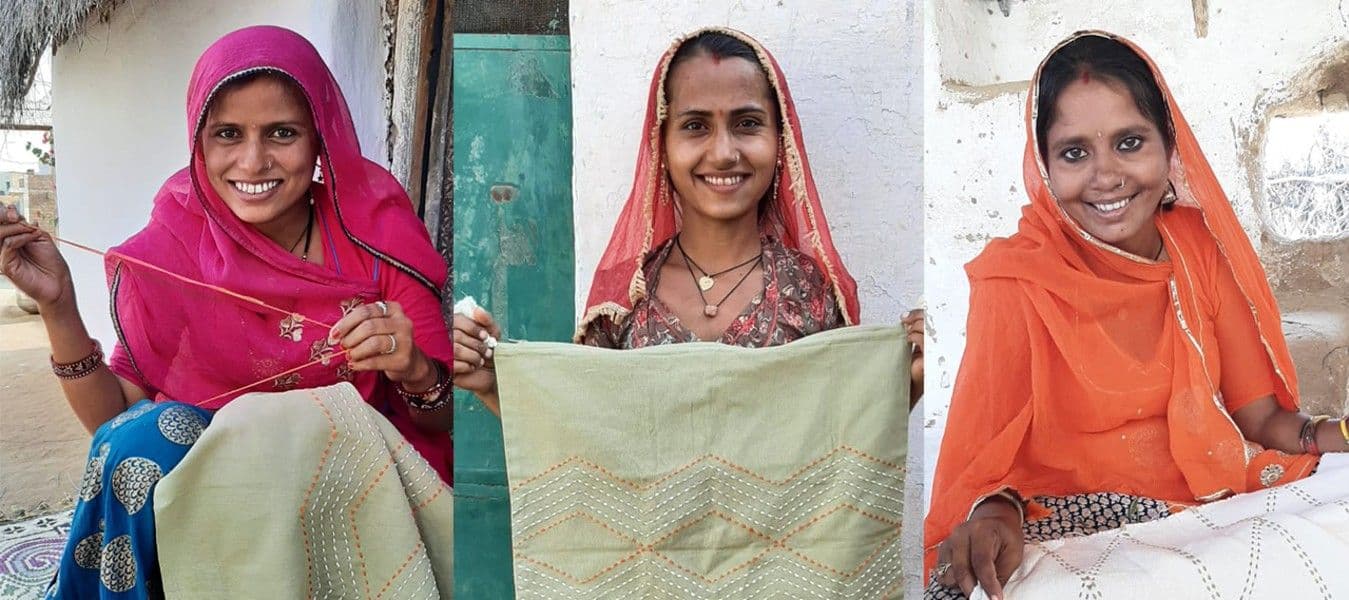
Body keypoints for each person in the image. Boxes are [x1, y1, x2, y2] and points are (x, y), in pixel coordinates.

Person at [0, 26, 453, 598]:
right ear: (199, 141)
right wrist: (57, 305)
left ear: (320, 139)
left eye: (282, 133)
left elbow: (447, 419)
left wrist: (412, 368)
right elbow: (114, 421)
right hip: (226, 489)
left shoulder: (374, 231)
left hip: (348, 488)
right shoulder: (180, 239)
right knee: (138, 441)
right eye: (227, 134)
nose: (253, 160)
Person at [924, 31, 1348, 600]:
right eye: (1075, 152)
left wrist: (1334, 433)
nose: (1107, 176)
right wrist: (996, 513)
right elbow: (984, 468)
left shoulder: (1196, 249)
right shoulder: (1015, 280)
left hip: (1209, 503)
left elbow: (1262, 418)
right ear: (1044, 165)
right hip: (1067, 525)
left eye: (1129, 142)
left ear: (1168, 146)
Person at [454, 27, 925, 412]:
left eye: (747, 123)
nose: (723, 153)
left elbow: (844, 443)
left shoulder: (810, 293)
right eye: (696, 126)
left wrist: (912, 379)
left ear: (780, 142)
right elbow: (585, 435)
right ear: (662, 144)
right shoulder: (626, 300)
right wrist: (494, 383)